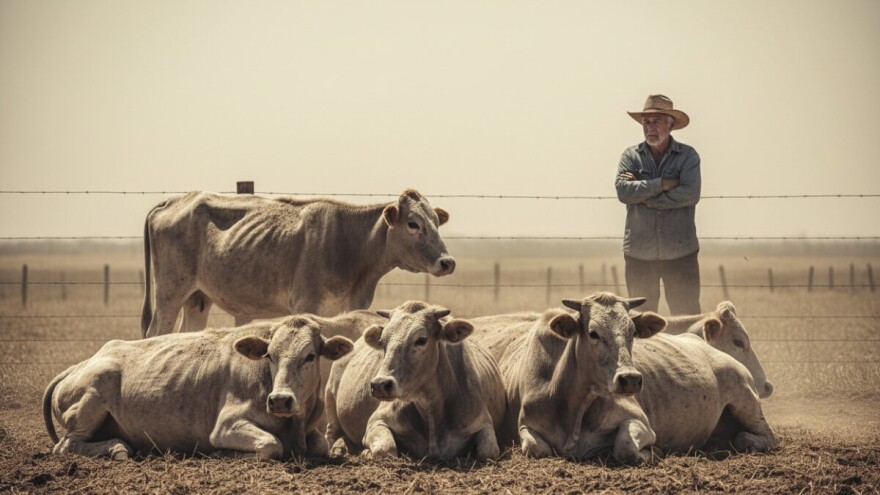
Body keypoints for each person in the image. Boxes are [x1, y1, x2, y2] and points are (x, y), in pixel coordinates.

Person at [615, 94, 701, 315]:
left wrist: (646, 197)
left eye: (657, 121)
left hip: (680, 253)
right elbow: (623, 191)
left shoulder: (688, 156)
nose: (650, 127)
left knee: (687, 319)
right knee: (640, 321)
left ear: (671, 125)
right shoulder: (630, 156)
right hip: (639, 254)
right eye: (646, 122)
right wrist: (662, 184)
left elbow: (690, 193)